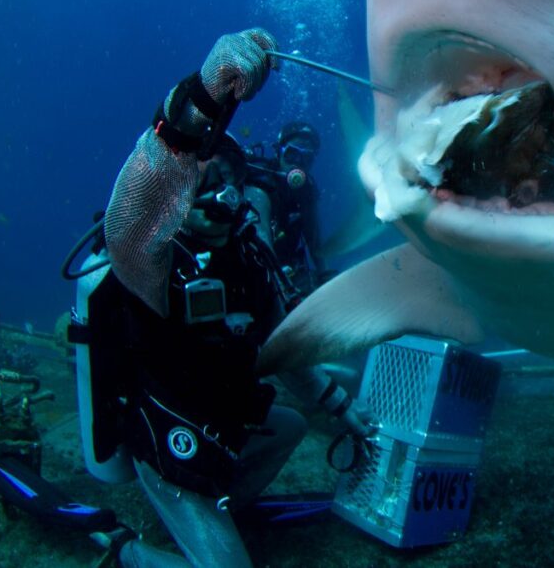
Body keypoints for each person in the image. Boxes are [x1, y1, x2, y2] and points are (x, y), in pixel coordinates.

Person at [88, 29, 373, 567]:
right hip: (166, 439)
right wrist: (202, 95)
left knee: (287, 425)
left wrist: (343, 411)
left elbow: (284, 354)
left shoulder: (250, 263)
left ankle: (218, 515)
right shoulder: (151, 262)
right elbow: (130, 210)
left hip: (219, 425)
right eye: (203, 181)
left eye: (230, 181)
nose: (220, 194)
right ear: (178, 193)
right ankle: (128, 553)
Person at [245, 119, 330, 295]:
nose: (297, 162)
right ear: (279, 151)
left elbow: (315, 241)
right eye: (292, 154)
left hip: (288, 269)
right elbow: (261, 238)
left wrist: (324, 275)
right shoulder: (261, 184)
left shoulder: (306, 192)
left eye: (306, 158)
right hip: (253, 268)